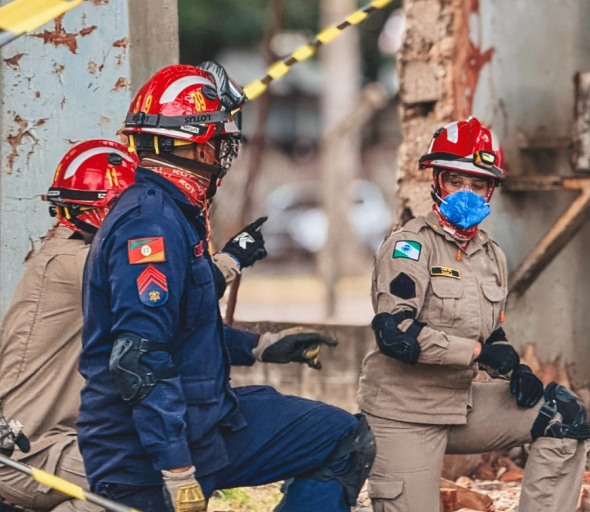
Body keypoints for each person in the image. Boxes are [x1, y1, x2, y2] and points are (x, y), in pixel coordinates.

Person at [78, 63, 372, 512]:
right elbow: (138, 360)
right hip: (143, 455)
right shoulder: (151, 226)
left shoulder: (174, 214)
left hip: (205, 423)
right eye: (217, 142)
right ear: (195, 146)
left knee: (342, 436)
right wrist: (176, 471)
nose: (222, 154)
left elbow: (183, 326)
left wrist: (263, 346)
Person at [0, 138, 268, 512]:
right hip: (34, 453)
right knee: (151, 479)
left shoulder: (64, 254)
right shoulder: (72, 264)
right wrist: (232, 258)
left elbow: (173, 331)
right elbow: (182, 289)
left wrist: (259, 347)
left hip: (45, 443)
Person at [358, 117, 590, 512]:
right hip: (404, 413)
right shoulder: (409, 247)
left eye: (479, 184)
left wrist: (514, 369)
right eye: (456, 181)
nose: (467, 192)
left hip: (461, 402)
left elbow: (490, 334)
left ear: (491, 190)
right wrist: (477, 354)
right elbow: (396, 335)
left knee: (564, 414)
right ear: (436, 182)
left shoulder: (491, 255)